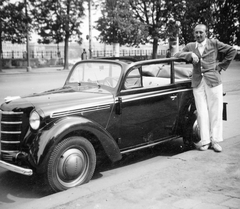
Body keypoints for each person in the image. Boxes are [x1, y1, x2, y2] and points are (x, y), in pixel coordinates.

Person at [174, 24, 237, 152]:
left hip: (213, 81)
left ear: (206, 33)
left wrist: (221, 66)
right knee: (202, 112)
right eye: (196, 33)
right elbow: (176, 54)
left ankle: (215, 141)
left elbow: (232, 51)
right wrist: (190, 55)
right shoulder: (191, 46)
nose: (198, 35)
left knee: (215, 111)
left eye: (201, 33)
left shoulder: (214, 43)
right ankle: (205, 141)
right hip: (198, 82)